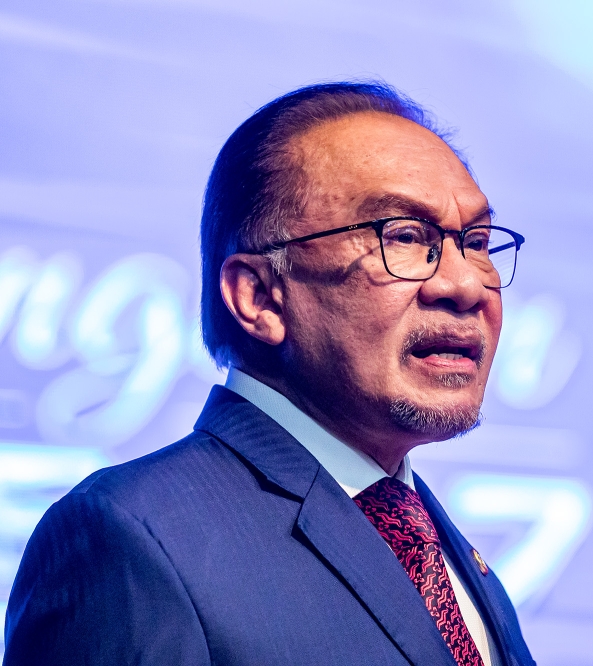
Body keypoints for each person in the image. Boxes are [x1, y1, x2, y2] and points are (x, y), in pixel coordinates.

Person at [3, 81, 533, 666]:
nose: (463, 285)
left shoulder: (446, 551)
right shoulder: (129, 538)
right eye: (404, 237)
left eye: (477, 241)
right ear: (259, 296)